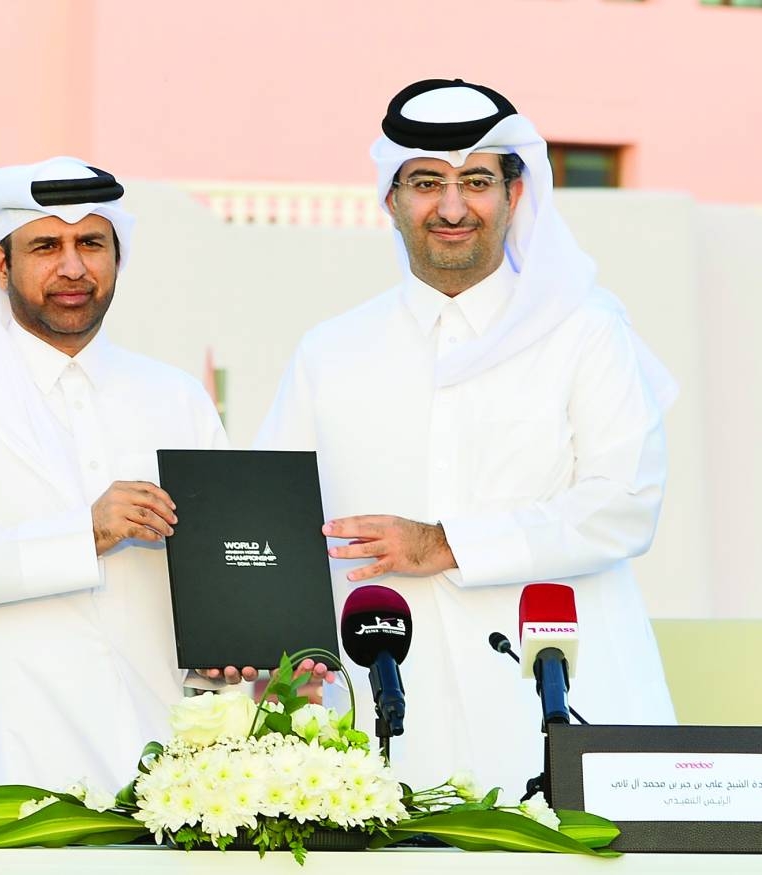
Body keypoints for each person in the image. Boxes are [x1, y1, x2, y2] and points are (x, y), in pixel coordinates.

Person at [255, 79, 677, 800]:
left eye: (476, 180)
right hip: (382, 710)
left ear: (515, 194)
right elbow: (269, 517)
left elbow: (624, 505)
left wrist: (445, 542)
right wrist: (259, 646)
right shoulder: (331, 350)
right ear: (391, 199)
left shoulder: (585, 331)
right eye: (426, 182)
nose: (452, 208)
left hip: (563, 696)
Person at [0, 158, 232, 793]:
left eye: (91, 243)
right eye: (46, 246)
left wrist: (234, 635)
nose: (73, 268)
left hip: (158, 773)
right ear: (1, 265)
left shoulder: (174, 398)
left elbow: (217, 562)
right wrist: (81, 535)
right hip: (1, 769)